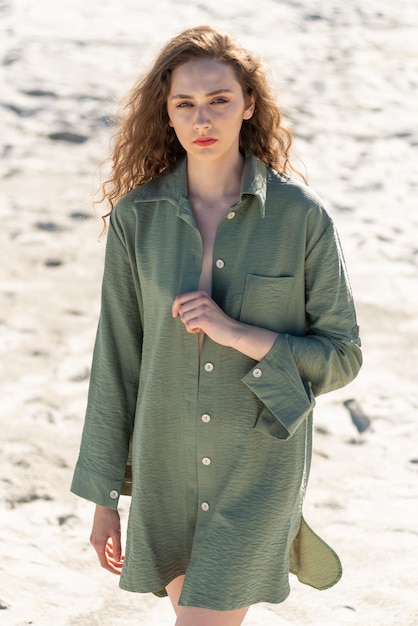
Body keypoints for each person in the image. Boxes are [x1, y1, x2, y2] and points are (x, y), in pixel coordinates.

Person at [71, 25, 362, 626]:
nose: (202, 118)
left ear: (249, 105)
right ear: (168, 113)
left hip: (257, 465)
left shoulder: (300, 218)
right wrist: (103, 496)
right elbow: (117, 360)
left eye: (219, 99)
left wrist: (239, 333)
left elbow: (341, 355)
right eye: (185, 103)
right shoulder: (136, 219)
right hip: (165, 464)